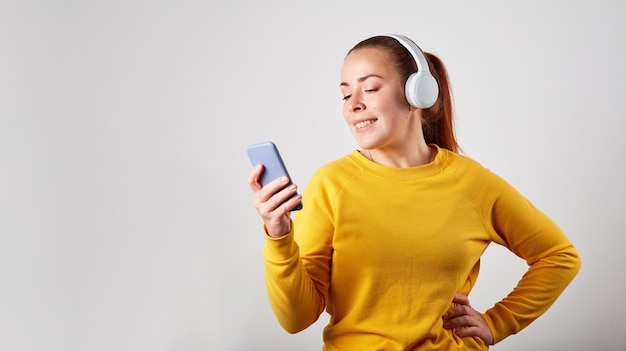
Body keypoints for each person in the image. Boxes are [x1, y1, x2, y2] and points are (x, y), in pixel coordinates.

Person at [247, 34, 581, 350]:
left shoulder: (472, 183)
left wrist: (498, 322)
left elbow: (559, 256)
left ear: (417, 94)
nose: (354, 105)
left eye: (371, 88)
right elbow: (296, 319)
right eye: (346, 94)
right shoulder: (331, 183)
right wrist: (279, 237)